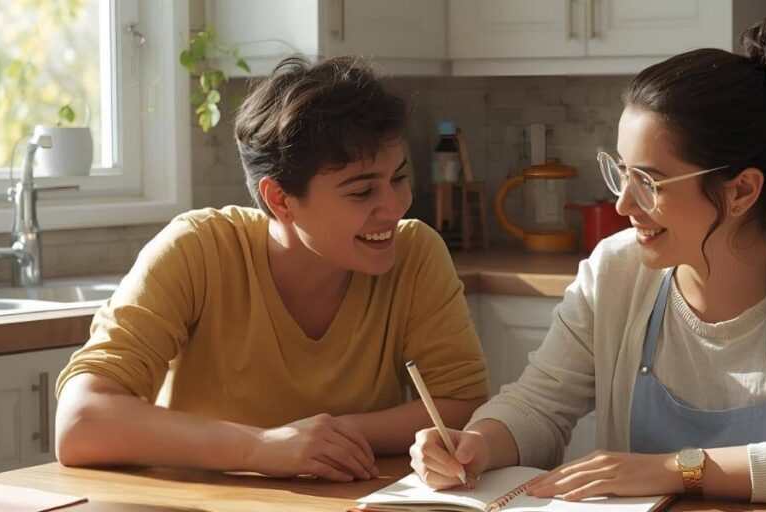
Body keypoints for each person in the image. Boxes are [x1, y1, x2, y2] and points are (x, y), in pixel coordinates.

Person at [409, 12, 766, 508]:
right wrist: (476, 441)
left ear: (741, 190)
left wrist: (674, 470)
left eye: (649, 182)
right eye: (621, 172)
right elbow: (538, 406)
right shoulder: (615, 271)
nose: (622, 205)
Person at [55, 56, 489, 482]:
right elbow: (80, 422)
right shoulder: (197, 249)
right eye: (361, 192)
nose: (395, 207)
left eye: (398, 178)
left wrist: (327, 440)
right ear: (280, 199)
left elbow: (461, 403)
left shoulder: (416, 253)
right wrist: (262, 447)